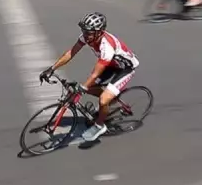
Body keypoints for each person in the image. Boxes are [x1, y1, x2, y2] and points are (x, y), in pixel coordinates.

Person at [39, 12, 140, 142]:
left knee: (102, 99)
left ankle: (99, 125)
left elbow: (96, 73)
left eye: (88, 33)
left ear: (99, 32)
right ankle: (112, 98)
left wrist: (83, 87)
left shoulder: (107, 47)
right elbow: (70, 53)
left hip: (125, 69)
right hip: (111, 65)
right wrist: (52, 68)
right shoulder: (88, 36)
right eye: (84, 31)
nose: (85, 36)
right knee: (89, 87)